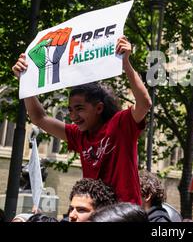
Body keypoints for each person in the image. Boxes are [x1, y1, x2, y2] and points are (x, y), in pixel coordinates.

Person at [12, 36, 152, 204]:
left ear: (99, 108)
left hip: (125, 212)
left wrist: (126, 64)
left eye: (79, 109)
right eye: (70, 110)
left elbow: (144, 103)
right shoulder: (78, 135)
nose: (73, 117)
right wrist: (25, 81)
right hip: (96, 213)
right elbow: (39, 117)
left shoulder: (120, 124)